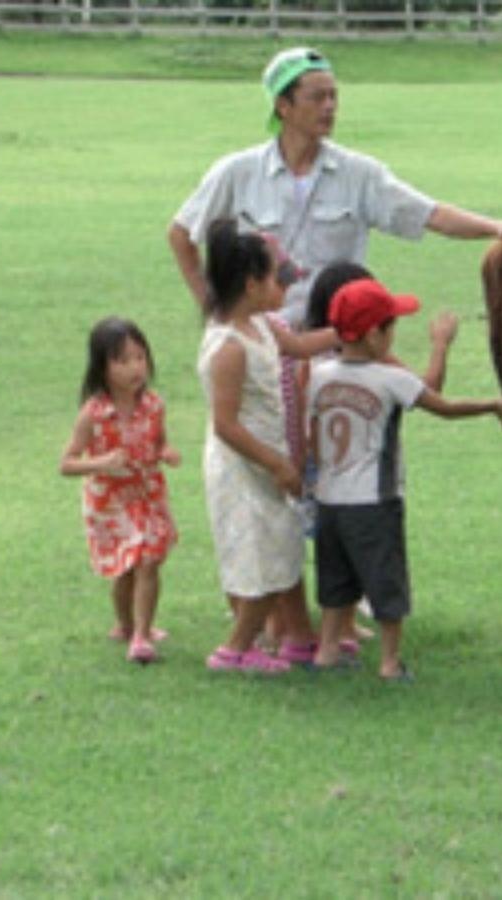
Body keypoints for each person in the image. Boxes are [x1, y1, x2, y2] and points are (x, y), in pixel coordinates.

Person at [167, 45, 502, 327]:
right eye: (317, 97)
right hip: (262, 346)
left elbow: (430, 214)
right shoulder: (236, 172)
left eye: (334, 96)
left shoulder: (359, 173)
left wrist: (497, 228)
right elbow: (181, 233)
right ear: (283, 106)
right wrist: (214, 308)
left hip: (335, 345)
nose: (330, 106)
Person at [306, 278, 502, 680]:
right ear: (375, 335)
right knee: (386, 581)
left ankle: (326, 651)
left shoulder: (318, 376)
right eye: (392, 327)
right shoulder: (391, 380)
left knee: (335, 582)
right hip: (375, 501)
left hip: (328, 499)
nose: (394, 335)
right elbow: (442, 405)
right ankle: (390, 663)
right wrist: (491, 403)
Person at [197, 217, 340, 674]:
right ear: (251, 283)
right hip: (244, 466)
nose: (286, 285)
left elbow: (298, 346)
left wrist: (352, 328)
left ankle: (251, 644)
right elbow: (226, 424)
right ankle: (235, 650)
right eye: (278, 276)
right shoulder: (229, 347)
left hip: (266, 461)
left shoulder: (262, 323)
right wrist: (278, 464)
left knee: (278, 550)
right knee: (261, 555)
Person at [302, 260, 459, 641]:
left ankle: (327, 632)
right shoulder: (375, 363)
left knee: (328, 555)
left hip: (318, 475)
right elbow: (430, 391)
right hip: (370, 488)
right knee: (371, 552)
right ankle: (359, 637)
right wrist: (440, 344)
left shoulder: (312, 362)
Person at [59, 317, 181, 665]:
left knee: (147, 560)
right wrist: (100, 463)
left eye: (140, 358)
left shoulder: (154, 405)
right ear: (102, 367)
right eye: (123, 361)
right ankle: (127, 624)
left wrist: (165, 453)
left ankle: (142, 633)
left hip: (147, 495)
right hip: (110, 503)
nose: (134, 368)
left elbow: (158, 443)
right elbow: (66, 463)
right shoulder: (93, 414)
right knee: (126, 568)